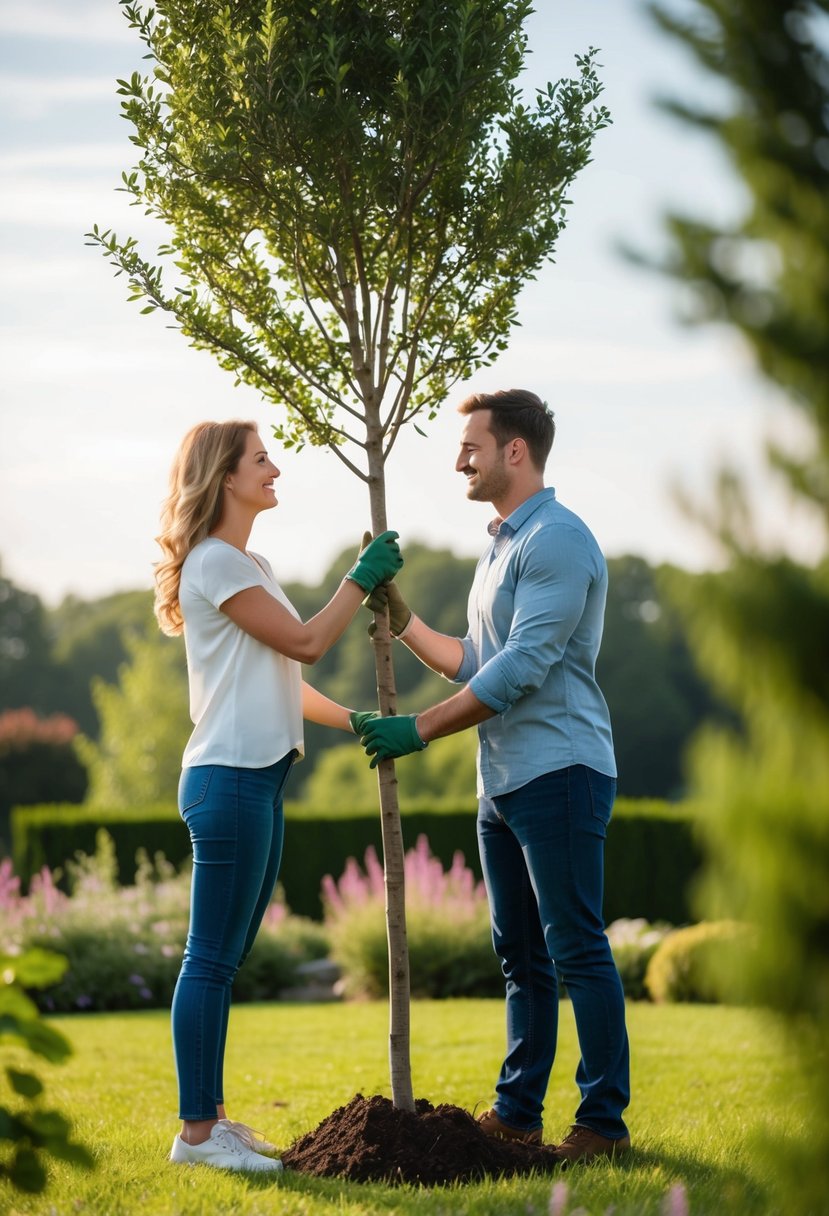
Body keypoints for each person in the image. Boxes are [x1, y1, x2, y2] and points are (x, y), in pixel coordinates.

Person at [355, 389, 630, 1164]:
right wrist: (402, 619)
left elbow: (521, 670)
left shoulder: (559, 541)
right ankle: (515, 1114)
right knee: (521, 957)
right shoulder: (499, 548)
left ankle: (602, 1124)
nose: (457, 460)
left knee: (575, 948)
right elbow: (475, 661)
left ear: (515, 450)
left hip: (561, 768)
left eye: (470, 445)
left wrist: (419, 729)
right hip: (502, 780)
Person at [154, 419, 402, 1173]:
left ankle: (214, 1122)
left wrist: (352, 717)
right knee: (209, 961)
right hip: (227, 778)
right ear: (224, 476)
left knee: (223, 961)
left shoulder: (247, 561)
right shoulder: (213, 563)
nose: (275, 468)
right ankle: (197, 1135)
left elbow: (286, 675)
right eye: (261, 459)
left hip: (257, 778)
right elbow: (304, 642)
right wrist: (359, 579)